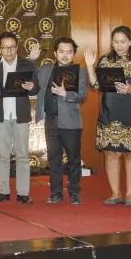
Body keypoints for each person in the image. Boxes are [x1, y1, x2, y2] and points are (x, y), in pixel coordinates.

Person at [84, 25, 131, 207]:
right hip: (110, 113)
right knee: (111, 154)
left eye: (123, 42)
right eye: (115, 42)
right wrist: (90, 67)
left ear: (130, 42)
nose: (119, 45)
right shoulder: (105, 60)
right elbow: (96, 85)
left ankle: (130, 194)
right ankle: (115, 193)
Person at [34, 37, 88, 205]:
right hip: (51, 120)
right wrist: (31, 60)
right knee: (53, 159)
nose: (65, 56)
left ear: (74, 54)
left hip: (71, 122)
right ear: (55, 53)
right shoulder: (45, 70)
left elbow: (82, 96)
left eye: (69, 52)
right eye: (62, 52)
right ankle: (56, 192)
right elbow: (31, 83)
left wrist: (65, 94)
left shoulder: (80, 72)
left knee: (73, 159)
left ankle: (74, 192)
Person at [0, 32, 39, 204]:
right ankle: (3, 191)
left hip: (20, 115)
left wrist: (32, 86)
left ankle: (23, 192)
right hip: (0, 114)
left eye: (11, 47)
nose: (8, 50)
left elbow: (35, 88)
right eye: (5, 47)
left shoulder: (27, 64)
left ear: (17, 48)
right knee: (2, 155)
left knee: (23, 155)